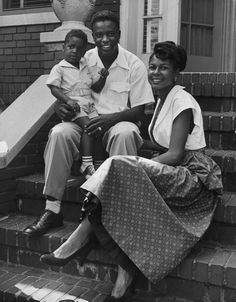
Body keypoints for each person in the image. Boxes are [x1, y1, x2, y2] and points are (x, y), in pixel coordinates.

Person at [40, 41, 223, 301]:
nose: (156, 73)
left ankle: (79, 238)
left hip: (191, 178)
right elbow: (164, 145)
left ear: (176, 72)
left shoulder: (182, 100)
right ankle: (123, 274)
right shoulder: (162, 99)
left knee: (117, 165)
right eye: (153, 67)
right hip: (173, 167)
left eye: (164, 68)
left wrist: (140, 163)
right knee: (121, 181)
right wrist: (141, 146)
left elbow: (176, 154)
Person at [22, 10, 154, 237]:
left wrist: (110, 119)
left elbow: (140, 111)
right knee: (59, 133)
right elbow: (63, 91)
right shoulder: (82, 58)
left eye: (110, 34)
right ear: (93, 36)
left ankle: (118, 212)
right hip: (84, 122)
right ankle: (52, 209)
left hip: (117, 122)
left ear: (119, 34)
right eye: (100, 34)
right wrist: (59, 107)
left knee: (125, 133)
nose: (105, 40)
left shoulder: (134, 65)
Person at [47, 29, 109, 179]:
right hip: (74, 106)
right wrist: (67, 100)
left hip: (89, 105)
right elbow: (53, 88)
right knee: (90, 127)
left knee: (98, 128)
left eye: (79, 48)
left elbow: (95, 87)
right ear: (64, 47)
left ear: (84, 50)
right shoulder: (59, 68)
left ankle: (99, 164)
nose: (74, 51)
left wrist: (102, 78)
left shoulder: (85, 66)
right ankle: (86, 164)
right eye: (71, 46)